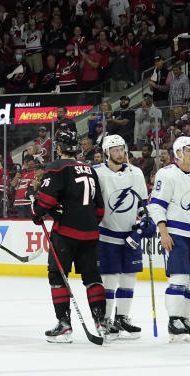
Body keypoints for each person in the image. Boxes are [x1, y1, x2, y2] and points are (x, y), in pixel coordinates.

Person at [31, 129, 109, 342]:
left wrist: (36, 212)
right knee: (92, 278)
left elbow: (46, 201)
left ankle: (64, 325)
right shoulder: (90, 169)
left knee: (58, 277)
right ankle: (101, 322)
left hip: (65, 233)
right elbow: (99, 208)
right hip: (91, 233)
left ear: (58, 148)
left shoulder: (57, 167)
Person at [94, 134, 151, 339]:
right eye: (115, 150)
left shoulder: (135, 172)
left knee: (129, 278)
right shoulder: (97, 173)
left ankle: (122, 317)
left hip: (130, 236)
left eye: (122, 149)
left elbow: (144, 204)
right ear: (107, 153)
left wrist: (143, 224)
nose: (120, 153)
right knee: (109, 280)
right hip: (106, 235)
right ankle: (106, 320)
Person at [148, 135, 190, 342]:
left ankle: (187, 320)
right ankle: (175, 320)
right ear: (179, 153)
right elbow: (156, 205)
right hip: (176, 233)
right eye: (189, 149)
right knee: (179, 277)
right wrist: (163, 232)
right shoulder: (167, 174)